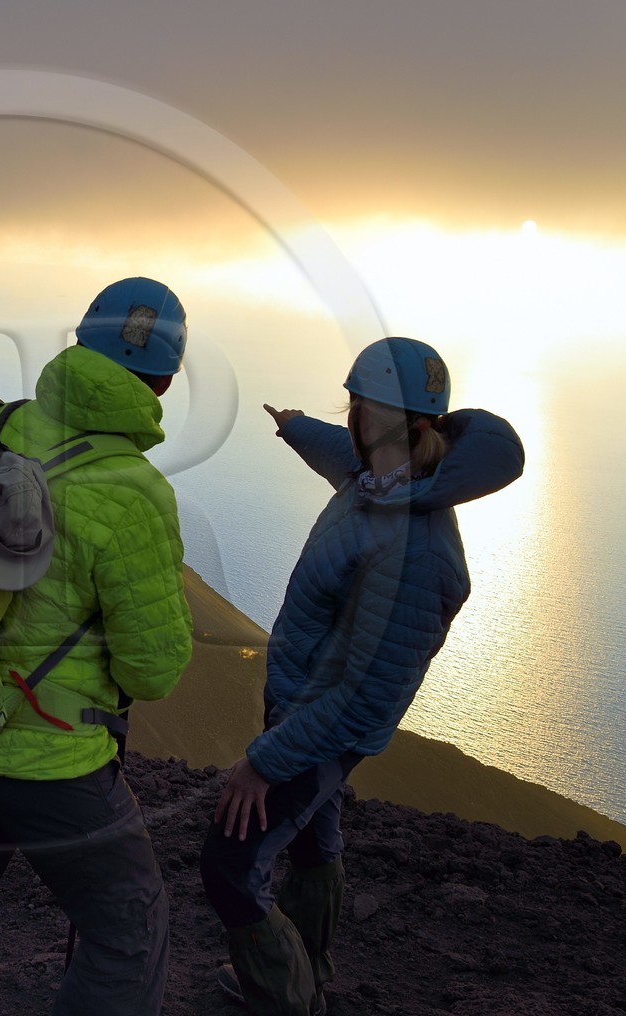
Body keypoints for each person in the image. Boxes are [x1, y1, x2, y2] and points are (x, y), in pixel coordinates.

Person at [0, 276, 195, 1016]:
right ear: (165, 379)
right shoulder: (135, 492)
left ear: (78, 345)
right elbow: (154, 670)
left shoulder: (5, 426)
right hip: (53, 761)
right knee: (129, 928)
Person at [202, 337, 524, 1015]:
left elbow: (361, 696)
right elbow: (337, 452)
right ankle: (308, 973)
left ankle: (283, 999)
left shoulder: (417, 551)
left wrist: (263, 762)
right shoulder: (375, 480)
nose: (350, 416)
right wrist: (293, 425)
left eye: (361, 406)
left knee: (229, 868)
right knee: (314, 841)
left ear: (409, 424)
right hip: (301, 712)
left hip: (318, 730)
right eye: (349, 404)